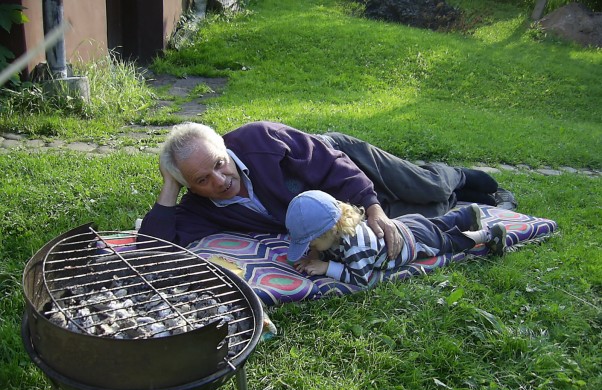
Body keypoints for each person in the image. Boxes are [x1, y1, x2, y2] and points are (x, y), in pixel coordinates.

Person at [138, 121, 514, 258]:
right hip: (334, 211)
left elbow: (332, 166)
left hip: (344, 159)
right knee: (421, 218)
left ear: (224, 147)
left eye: (219, 164)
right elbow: (152, 249)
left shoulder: (259, 138)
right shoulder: (197, 208)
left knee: (421, 185)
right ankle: (473, 202)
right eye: (201, 180)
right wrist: (170, 188)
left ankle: (459, 178)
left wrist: (373, 206)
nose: (219, 181)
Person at [286, 190, 507, 287]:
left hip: (415, 242)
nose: (310, 249)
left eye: (311, 243)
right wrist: (315, 253)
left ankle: (487, 235)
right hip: (408, 223)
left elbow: (360, 277)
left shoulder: (355, 248)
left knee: (448, 242)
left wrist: (326, 267)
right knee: (436, 223)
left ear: (330, 232)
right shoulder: (338, 227)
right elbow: (323, 246)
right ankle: (468, 213)